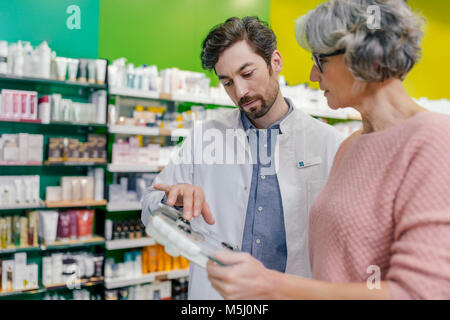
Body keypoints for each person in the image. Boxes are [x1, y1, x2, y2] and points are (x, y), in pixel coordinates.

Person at [206, 0, 450, 300]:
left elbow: (419, 293)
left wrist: (271, 285)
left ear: (363, 57)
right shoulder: (349, 148)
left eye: (320, 60)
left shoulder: (434, 142)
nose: (312, 74)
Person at [141, 17, 344, 299]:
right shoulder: (206, 136)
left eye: (247, 74)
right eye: (227, 83)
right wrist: (170, 198)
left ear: (275, 61)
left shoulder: (326, 141)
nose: (240, 92)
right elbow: (150, 205)